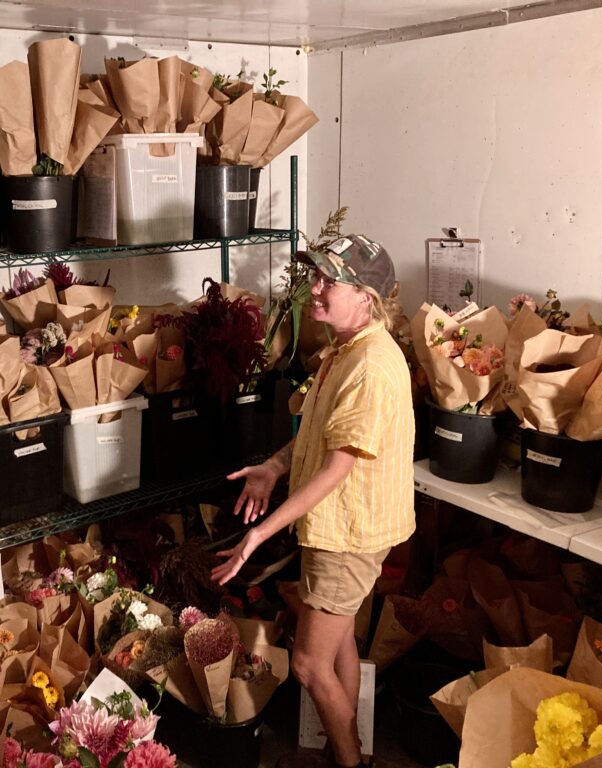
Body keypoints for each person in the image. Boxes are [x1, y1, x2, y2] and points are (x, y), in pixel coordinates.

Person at [211, 233, 415, 768]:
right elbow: (319, 434)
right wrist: (275, 467)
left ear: (366, 296)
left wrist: (259, 533)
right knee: (340, 642)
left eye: (330, 281)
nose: (316, 290)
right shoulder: (348, 348)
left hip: (348, 534)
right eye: (317, 277)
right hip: (343, 528)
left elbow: (335, 469)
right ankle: (348, 748)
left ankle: (350, 763)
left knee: (306, 664)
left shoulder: (370, 366)